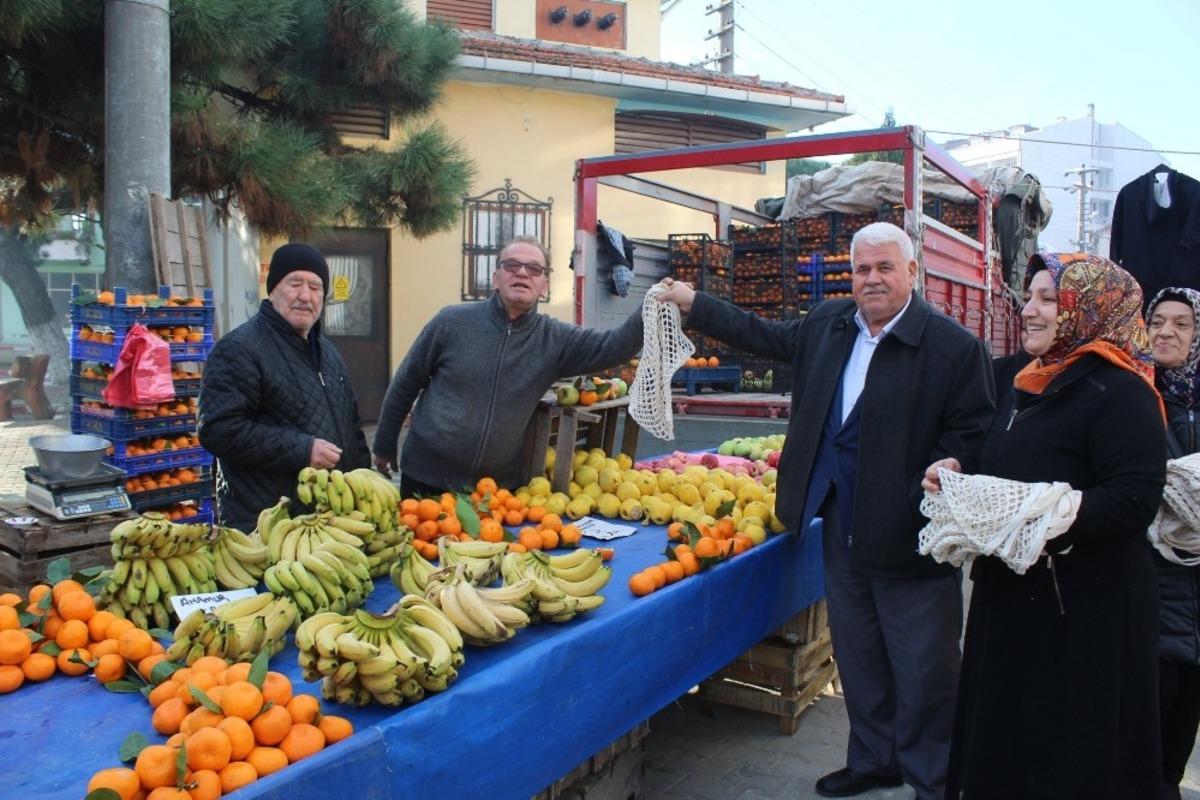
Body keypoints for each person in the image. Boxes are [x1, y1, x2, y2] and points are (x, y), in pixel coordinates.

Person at [657, 221, 994, 800]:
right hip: (841, 522)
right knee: (859, 653)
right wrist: (696, 303)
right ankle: (873, 760)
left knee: (925, 666)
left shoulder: (951, 347)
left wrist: (952, 464)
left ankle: (934, 779)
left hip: (913, 530)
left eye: (885, 267)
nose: (872, 279)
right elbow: (762, 334)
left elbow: (975, 428)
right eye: (862, 268)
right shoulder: (829, 324)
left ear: (912, 273)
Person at [925, 253, 1166, 799]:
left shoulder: (1121, 391)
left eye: (1048, 299)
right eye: (1029, 297)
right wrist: (963, 476)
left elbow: (1133, 502)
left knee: (1068, 752)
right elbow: (1013, 467)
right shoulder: (1029, 381)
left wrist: (1033, 512)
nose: (1029, 311)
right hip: (1014, 600)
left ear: (1090, 309)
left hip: (1083, 617)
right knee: (1010, 741)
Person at [371, 236, 643, 497]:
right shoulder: (450, 322)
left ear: (544, 285)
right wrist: (384, 446)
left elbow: (614, 346)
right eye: (512, 265)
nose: (522, 273)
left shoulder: (555, 339)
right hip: (426, 477)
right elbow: (405, 383)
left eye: (534, 269)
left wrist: (652, 304)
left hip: (496, 492)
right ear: (495, 278)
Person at [199, 243, 371, 531]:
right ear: (273, 289)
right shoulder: (239, 349)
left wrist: (364, 483)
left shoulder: (329, 354)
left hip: (327, 521)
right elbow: (217, 430)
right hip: (267, 524)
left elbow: (352, 427)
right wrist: (302, 449)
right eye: (295, 284)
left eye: (316, 287)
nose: (305, 296)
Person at [1147, 287, 1200, 800]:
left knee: (1189, 699)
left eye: (1181, 323)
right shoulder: (1135, 393)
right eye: (1158, 321)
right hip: (1152, 574)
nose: (1166, 332)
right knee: (1154, 693)